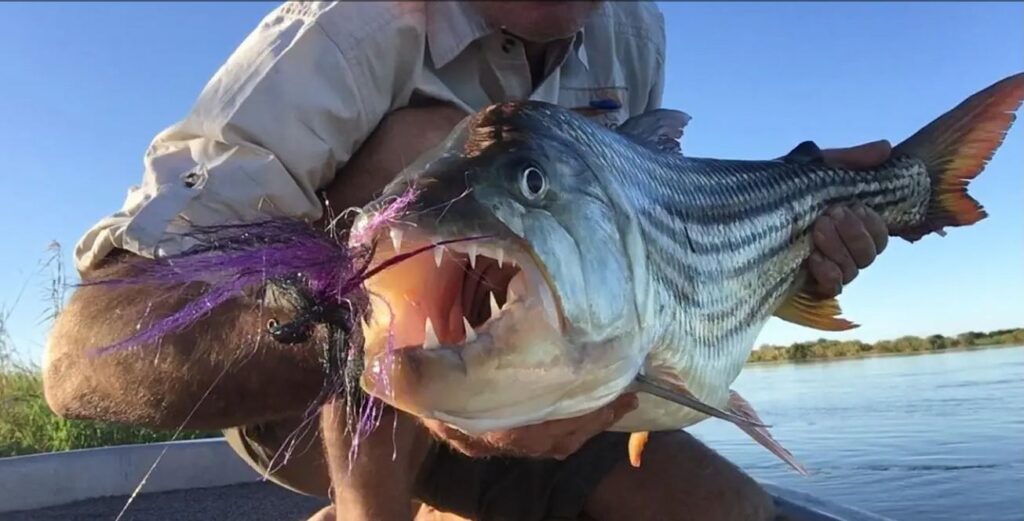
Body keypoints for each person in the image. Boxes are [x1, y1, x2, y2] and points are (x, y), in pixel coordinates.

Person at [42, 2, 890, 520]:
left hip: (552, 374)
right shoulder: (343, 32)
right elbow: (81, 359)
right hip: (312, 392)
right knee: (430, 149)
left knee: (732, 511)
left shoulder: (634, 28)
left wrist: (790, 245)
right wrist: (360, 341)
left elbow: (651, 224)